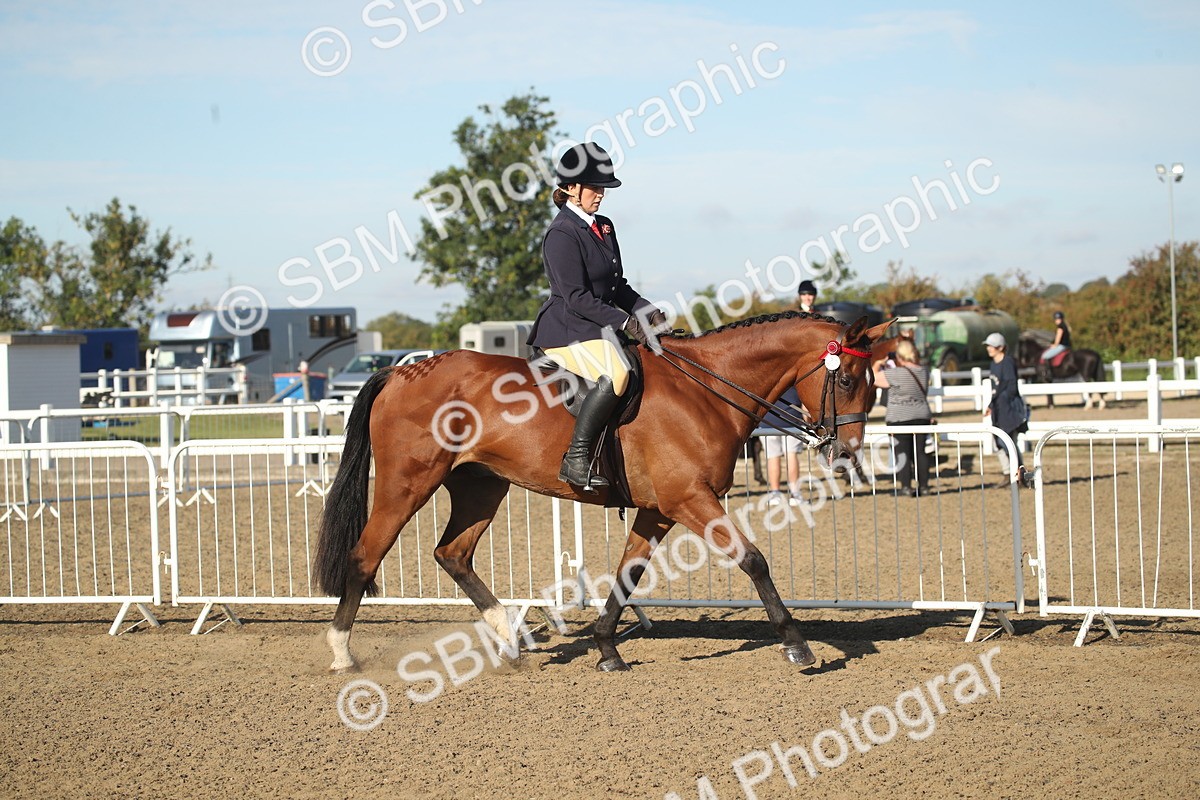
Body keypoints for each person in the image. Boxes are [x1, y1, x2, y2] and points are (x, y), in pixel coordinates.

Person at [527, 142, 668, 491]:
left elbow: (617, 286)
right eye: (594, 187)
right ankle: (576, 459)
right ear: (571, 188)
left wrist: (647, 314)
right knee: (617, 373)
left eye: (603, 187)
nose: (601, 195)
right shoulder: (561, 233)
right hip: (566, 329)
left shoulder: (603, 226)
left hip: (595, 327)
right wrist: (625, 323)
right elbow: (575, 297)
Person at [872, 338, 932, 496]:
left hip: (900, 418)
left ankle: (906, 486)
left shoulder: (894, 374)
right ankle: (924, 486)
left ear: (899, 356)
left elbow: (872, 377)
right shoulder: (924, 371)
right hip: (921, 415)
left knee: (902, 452)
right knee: (920, 452)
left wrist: (879, 363)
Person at [983, 332, 1031, 485]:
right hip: (998, 408)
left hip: (1008, 409)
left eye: (992, 346)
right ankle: (1007, 473)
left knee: (1008, 442)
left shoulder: (1008, 362)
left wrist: (1000, 401)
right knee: (998, 442)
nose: (989, 349)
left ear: (1001, 347)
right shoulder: (993, 365)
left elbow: (1011, 387)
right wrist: (991, 405)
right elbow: (995, 388)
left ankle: (1020, 473)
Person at [759, 386, 803, 506]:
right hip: (792, 419)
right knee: (791, 455)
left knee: (772, 457)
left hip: (768, 420)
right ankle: (795, 494)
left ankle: (775, 493)